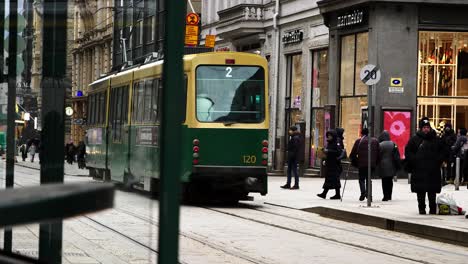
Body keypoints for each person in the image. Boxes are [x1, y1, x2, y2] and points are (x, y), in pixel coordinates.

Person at [405, 117, 444, 214]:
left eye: (427, 127)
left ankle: (432, 209)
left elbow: (442, 152)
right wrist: (415, 160)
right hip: (419, 170)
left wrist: (438, 161)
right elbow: (408, 152)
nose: (426, 129)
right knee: (420, 192)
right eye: (424, 127)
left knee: (432, 192)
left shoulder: (436, 139)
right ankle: (421, 209)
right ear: (421, 128)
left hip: (432, 170)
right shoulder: (414, 140)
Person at [349, 127, 380, 201]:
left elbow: (353, 154)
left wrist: (356, 162)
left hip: (362, 164)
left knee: (361, 179)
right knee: (369, 179)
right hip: (371, 164)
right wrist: (376, 162)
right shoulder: (375, 141)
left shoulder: (359, 141)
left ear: (361, 133)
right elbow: (379, 153)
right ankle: (369, 195)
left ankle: (363, 192)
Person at [317, 130, 341, 199]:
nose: (329, 137)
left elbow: (338, 152)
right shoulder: (329, 143)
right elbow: (328, 153)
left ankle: (328, 194)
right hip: (329, 163)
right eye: (328, 136)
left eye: (330, 136)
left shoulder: (337, 143)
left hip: (335, 164)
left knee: (334, 179)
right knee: (330, 179)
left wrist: (328, 151)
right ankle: (326, 194)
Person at [377, 131, 400, 201]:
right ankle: (389, 195)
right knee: (390, 181)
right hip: (392, 165)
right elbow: (397, 155)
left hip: (383, 165)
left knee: (384, 181)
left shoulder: (380, 145)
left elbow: (378, 155)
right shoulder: (393, 144)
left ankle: (385, 196)